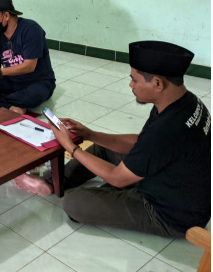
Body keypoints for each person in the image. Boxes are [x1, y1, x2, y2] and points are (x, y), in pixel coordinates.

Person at [14, 41, 211, 238]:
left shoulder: (166, 130)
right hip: (172, 181)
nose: (130, 85)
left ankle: (113, 196)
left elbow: (118, 178)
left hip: (171, 215)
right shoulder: (184, 101)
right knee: (102, 148)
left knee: (74, 203)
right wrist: (90, 134)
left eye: (135, 80)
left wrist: (71, 147)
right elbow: (140, 142)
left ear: (157, 83)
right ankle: (52, 182)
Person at [0, 0, 55, 114]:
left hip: (37, 82)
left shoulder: (31, 29)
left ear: (6, 16)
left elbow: (29, 66)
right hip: (12, 81)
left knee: (33, 96)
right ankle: (11, 107)